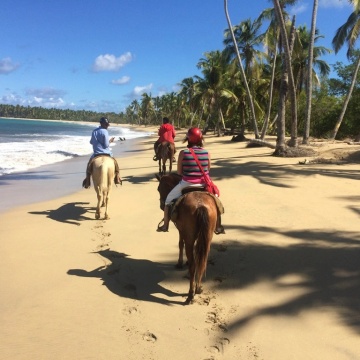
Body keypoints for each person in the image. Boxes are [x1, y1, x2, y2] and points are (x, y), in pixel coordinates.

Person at [156, 127, 210, 232]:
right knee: (216, 199)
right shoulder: (207, 153)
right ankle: (218, 225)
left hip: (186, 183)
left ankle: (165, 225)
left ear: (188, 139)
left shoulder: (183, 153)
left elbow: (180, 173)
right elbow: (208, 170)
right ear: (200, 139)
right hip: (203, 184)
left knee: (167, 201)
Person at [82, 117, 122, 188]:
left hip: (96, 154)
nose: (107, 126)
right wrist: (110, 141)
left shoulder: (94, 131)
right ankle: (117, 177)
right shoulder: (105, 131)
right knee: (115, 163)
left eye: (107, 124)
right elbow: (106, 145)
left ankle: (87, 181)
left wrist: (97, 143)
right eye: (106, 124)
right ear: (102, 124)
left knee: (89, 165)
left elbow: (91, 142)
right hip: (107, 153)